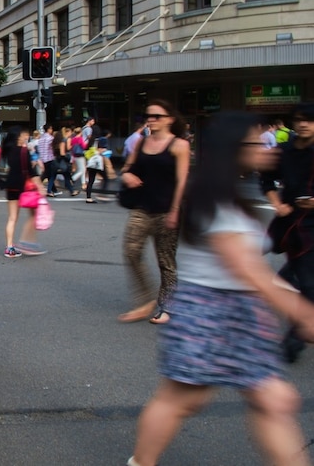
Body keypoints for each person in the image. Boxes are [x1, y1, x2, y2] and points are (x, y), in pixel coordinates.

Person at [127, 112, 314, 466]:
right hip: (209, 313)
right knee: (182, 399)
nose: (267, 150)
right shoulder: (215, 198)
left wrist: (292, 303)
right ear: (235, 148)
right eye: (257, 144)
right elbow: (248, 270)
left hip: (239, 313)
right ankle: (141, 462)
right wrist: (301, 312)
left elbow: (253, 271)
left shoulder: (228, 193)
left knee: (271, 400)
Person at [117, 100, 191, 324]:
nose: (151, 119)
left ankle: (167, 306)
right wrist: (127, 175)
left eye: (157, 116)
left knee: (166, 261)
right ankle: (145, 300)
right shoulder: (141, 143)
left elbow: (182, 181)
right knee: (131, 252)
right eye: (148, 115)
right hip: (142, 208)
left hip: (167, 210)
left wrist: (176, 210)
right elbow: (127, 168)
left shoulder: (179, 145)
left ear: (170, 119)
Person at [261, 102, 314, 363]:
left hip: (312, 225)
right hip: (289, 221)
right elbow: (266, 179)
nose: (304, 124)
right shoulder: (283, 151)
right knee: (289, 277)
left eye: (309, 120)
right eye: (300, 119)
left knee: (309, 284)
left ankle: (294, 340)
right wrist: (276, 202)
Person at [2, 127, 46, 257]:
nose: (26, 136)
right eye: (24, 135)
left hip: (11, 186)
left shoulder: (8, 150)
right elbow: (31, 173)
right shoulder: (24, 151)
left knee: (12, 218)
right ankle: (26, 242)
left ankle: (9, 247)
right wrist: (40, 186)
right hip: (23, 187)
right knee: (33, 214)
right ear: (19, 136)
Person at [37, 124, 59, 196]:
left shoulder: (41, 138)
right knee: (50, 174)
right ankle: (45, 189)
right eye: (51, 129)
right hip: (50, 158)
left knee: (48, 174)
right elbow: (53, 148)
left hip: (43, 158)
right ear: (49, 129)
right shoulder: (50, 138)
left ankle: (54, 190)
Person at [70, 127, 87, 191]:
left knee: (82, 169)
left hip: (75, 156)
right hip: (80, 155)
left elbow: (72, 148)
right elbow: (84, 146)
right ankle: (72, 179)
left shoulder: (73, 139)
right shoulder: (80, 138)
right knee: (82, 170)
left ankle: (83, 184)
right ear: (80, 132)